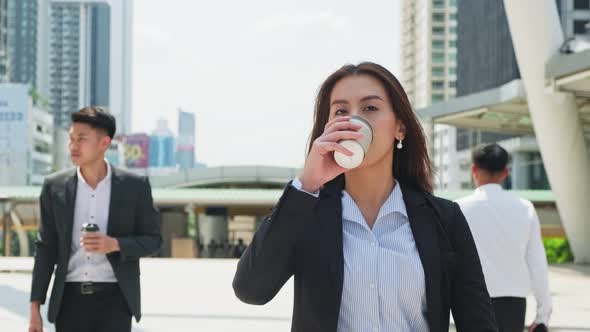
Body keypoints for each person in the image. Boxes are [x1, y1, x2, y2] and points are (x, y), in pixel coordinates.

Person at [233, 62, 498, 331]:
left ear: (400, 128)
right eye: (340, 111)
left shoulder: (444, 218)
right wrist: (308, 182)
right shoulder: (307, 213)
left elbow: (477, 321)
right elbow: (251, 290)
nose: (353, 121)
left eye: (370, 108)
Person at [29, 107, 162, 332]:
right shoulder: (54, 187)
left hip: (116, 301)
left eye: (81, 139)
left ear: (104, 143)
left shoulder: (134, 187)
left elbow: (153, 240)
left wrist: (116, 244)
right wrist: (35, 308)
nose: (73, 146)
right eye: (71, 139)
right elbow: (46, 248)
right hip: (68, 301)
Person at [456, 143, 552, 332]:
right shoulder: (525, 208)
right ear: (506, 172)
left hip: (471, 301)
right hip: (513, 303)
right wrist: (543, 315)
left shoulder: (457, 208)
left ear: (474, 170)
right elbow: (538, 264)